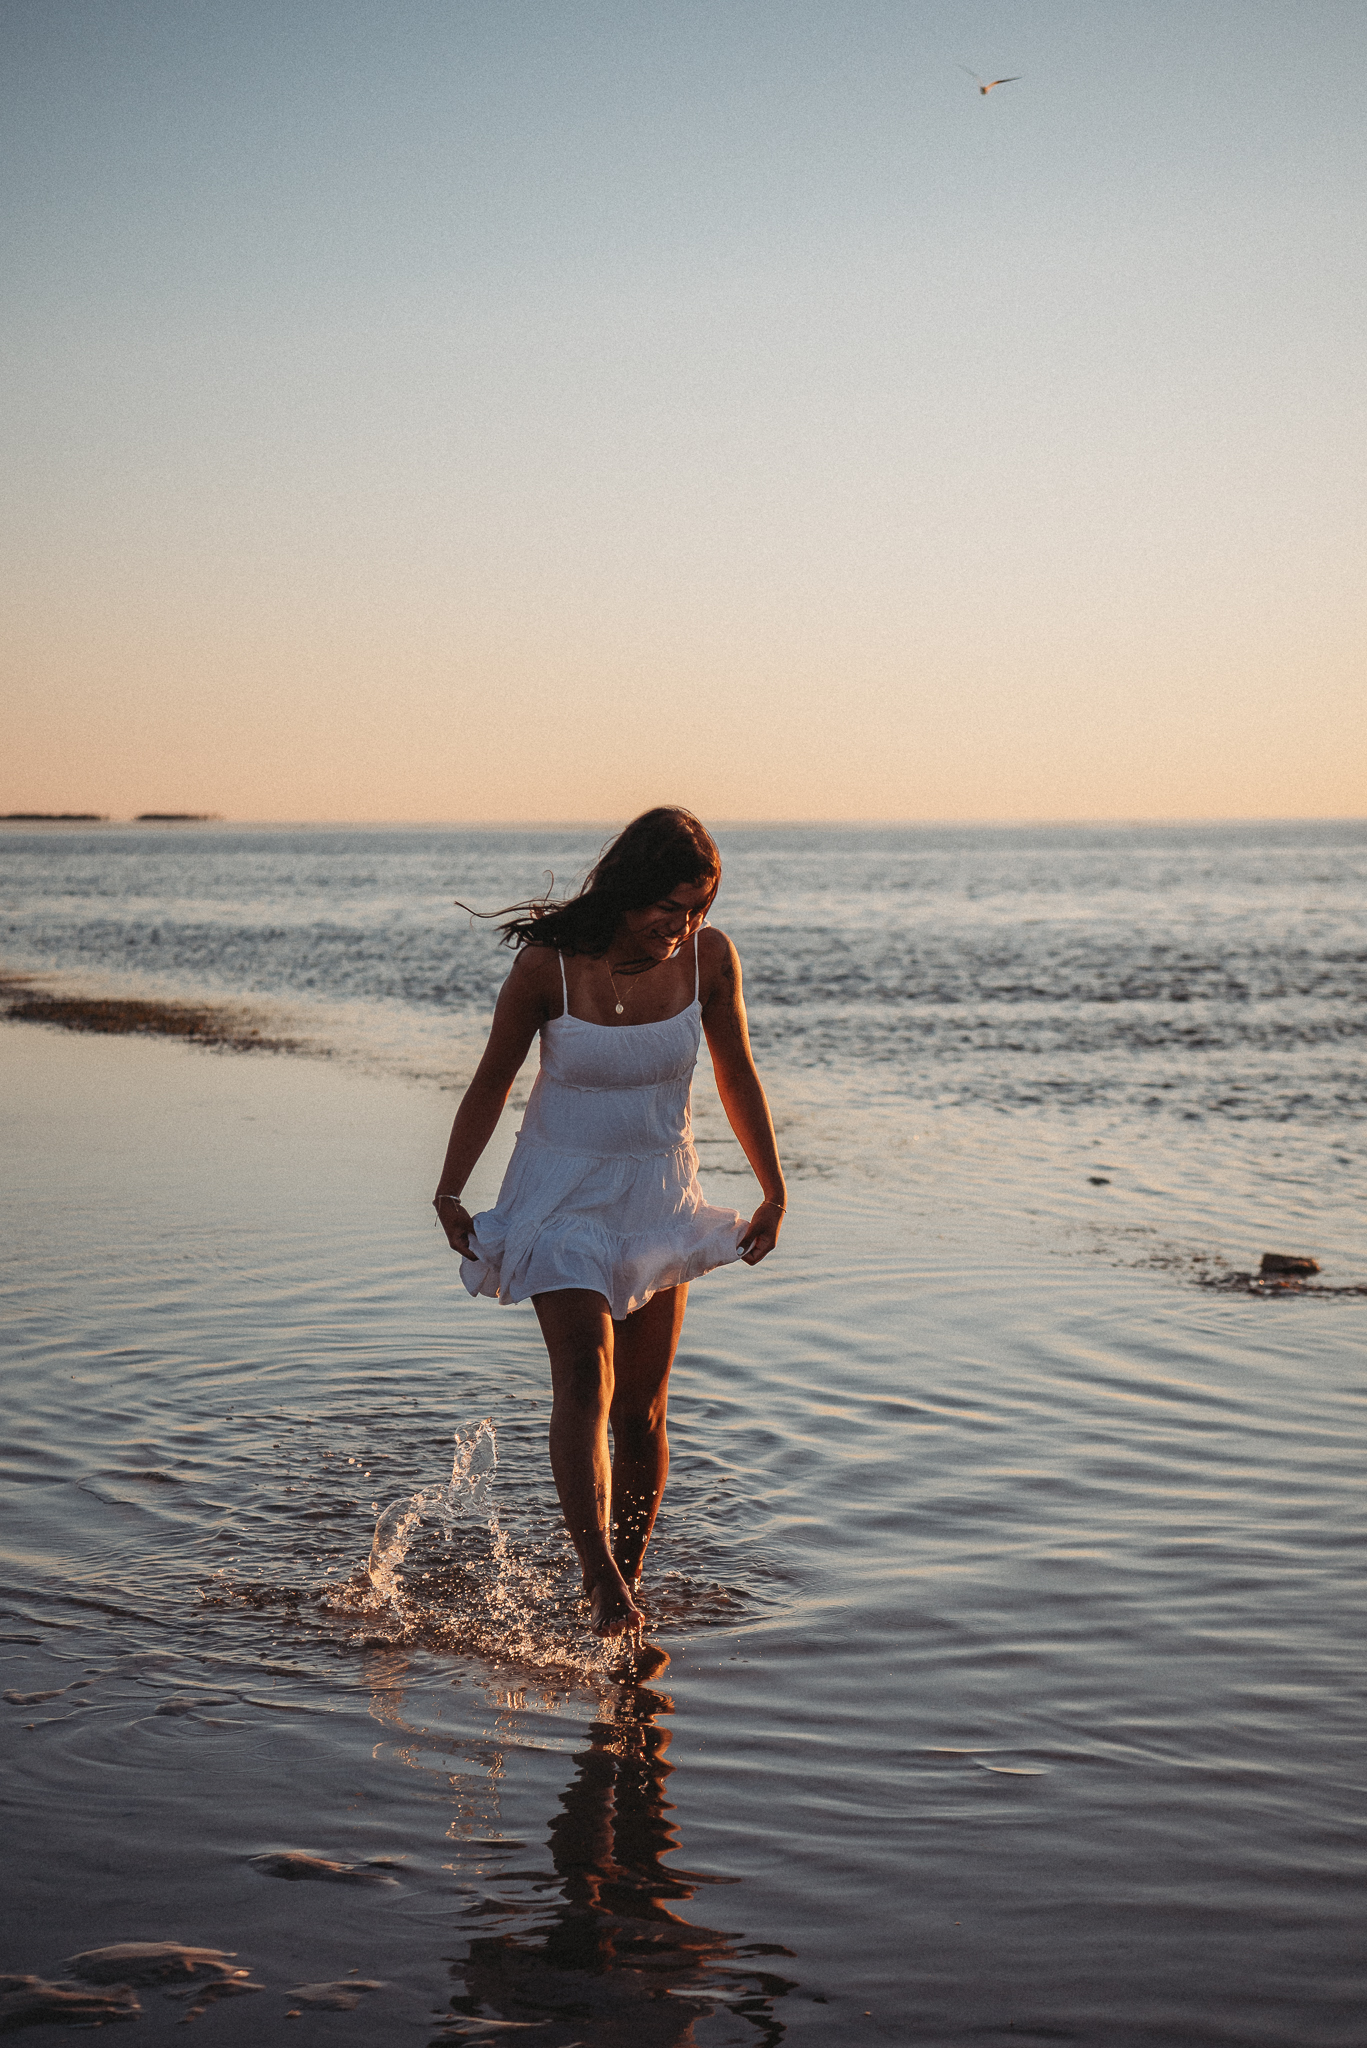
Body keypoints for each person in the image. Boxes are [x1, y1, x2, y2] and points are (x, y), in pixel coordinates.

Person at [433, 808, 785, 1639]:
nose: (684, 922)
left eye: (698, 906)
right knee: (586, 1383)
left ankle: (624, 1582)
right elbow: (491, 1082)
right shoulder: (547, 967)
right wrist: (450, 1191)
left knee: (643, 1413)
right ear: (628, 890)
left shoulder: (708, 958)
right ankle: (597, 1584)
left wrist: (773, 1187)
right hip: (559, 1196)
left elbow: (735, 1070)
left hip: (657, 1196)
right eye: (671, 904)